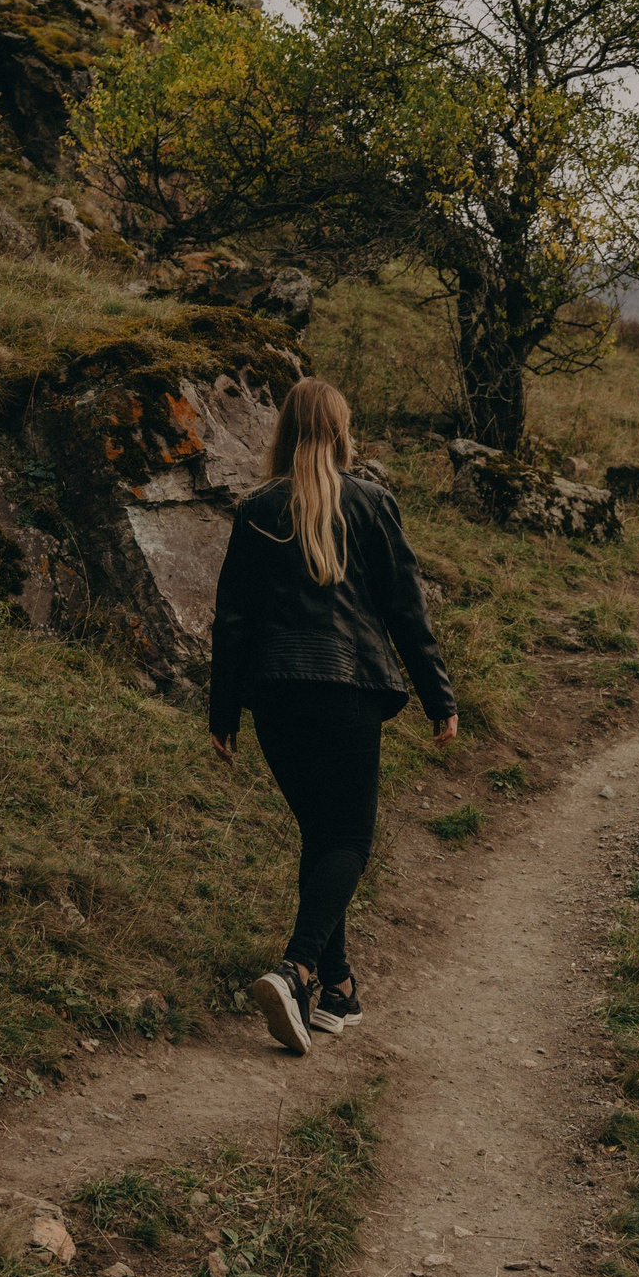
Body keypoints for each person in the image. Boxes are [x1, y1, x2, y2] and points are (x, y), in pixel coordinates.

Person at [208, 377, 457, 1056]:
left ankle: (337, 987)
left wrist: (222, 710)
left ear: (286, 430)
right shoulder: (372, 502)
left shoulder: (257, 508)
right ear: (342, 431)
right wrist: (439, 698)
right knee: (349, 841)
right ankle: (295, 970)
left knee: (322, 837)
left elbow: (231, 621)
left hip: (275, 697)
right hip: (347, 691)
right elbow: (407, 610)